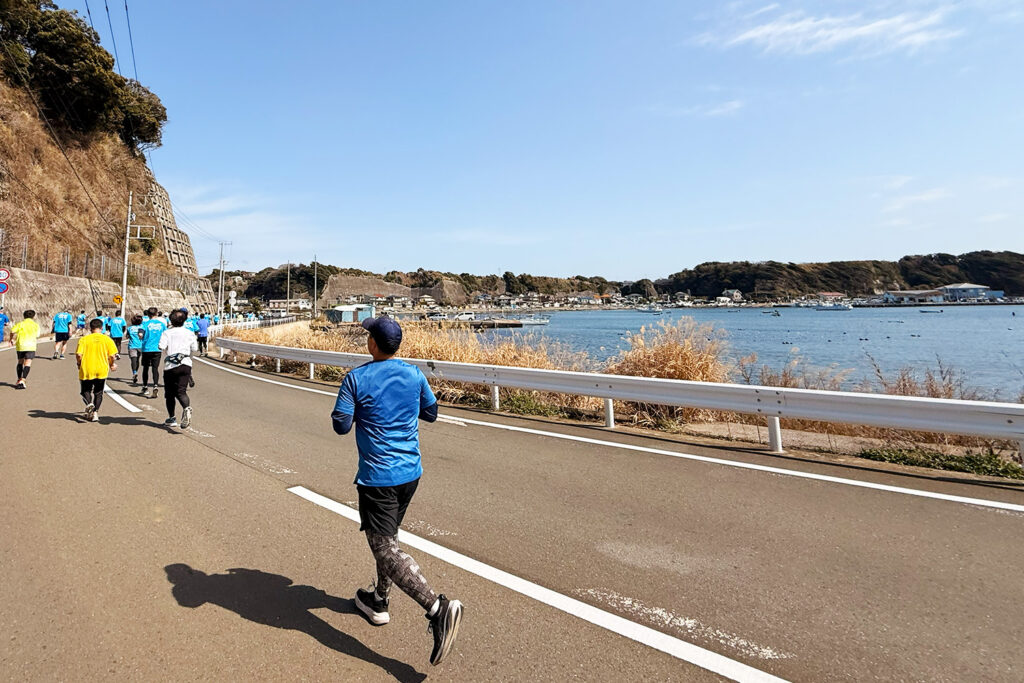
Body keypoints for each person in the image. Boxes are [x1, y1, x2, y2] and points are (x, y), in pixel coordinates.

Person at [331, 316, 463, 666]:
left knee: (383, 545)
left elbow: (341, 426)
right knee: (388, 540)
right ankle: (378, 600)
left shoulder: (356, 379)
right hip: (410, 474)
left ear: (373, 343)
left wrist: (361, 408)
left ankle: (437, 608)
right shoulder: (414, 374)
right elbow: (431, 413)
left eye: (368, 336)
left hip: (378, 478)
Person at [159, 310, 198, 428]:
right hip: (186, 364)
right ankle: (186, 408)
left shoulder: (167, 333)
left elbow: (161, 346)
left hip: (171, 366)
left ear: (171, 320)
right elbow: (195, 348)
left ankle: (172, 418)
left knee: (169, 394)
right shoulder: (190, 333)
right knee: (181, 391)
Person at [76, 318, 118, 422]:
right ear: (102, 328)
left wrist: (79, 363)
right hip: (102, 369)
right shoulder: (107, 340)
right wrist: (112, 364)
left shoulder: (84, 340)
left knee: (85, 391)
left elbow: (78, 354)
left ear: (90, 328)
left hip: (87, 368)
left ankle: (89, 404)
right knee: (98, 392)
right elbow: (112, 356)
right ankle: (95, 413)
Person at [10, 309, 41, 389]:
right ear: (33, 316)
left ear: (24, 316)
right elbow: (37, 335)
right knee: (28, 363)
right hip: (31, 346)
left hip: (20, 345)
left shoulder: (20, 324)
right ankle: (23, 380)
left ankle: (18, 379)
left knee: (20, 362)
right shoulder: (35, 325)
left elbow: (12, 331)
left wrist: (11, 339)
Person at [140, 307, 167, 398]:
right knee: (155, 368)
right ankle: (155, 385)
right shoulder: (162, 324)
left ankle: (145, 387)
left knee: (145, 368)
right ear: (157, 314)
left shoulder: (145, 324)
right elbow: (166, 335)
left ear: (148, 314)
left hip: (146, 348)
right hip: (157, 349)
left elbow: (140, 334)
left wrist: (142, 337)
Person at [126, 315, 145, 385]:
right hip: (140, 346)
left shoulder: (130, 328)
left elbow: (127, 336)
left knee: (133, 360)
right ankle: (135, 371)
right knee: (137, 360)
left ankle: (134, 372)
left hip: (132, 346)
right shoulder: (142, 327)